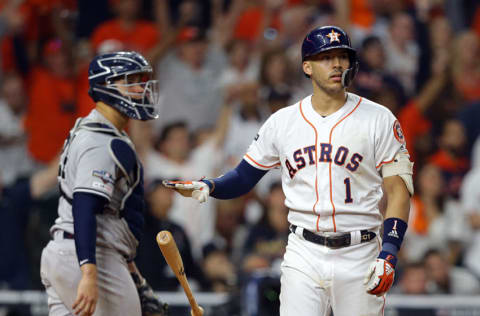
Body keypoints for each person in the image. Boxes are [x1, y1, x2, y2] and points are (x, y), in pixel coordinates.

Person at [165, 25, 413, 315]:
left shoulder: (380, 119)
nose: (336, 64)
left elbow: (399, 191)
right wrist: (211, 185)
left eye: (342, 56)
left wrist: (390, 252)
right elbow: (245, 176)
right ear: (307, 67)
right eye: (325, 57)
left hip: (360, 250)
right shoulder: (283, 122)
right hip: (304, 251)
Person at [40, 51, 167, 316]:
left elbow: (112, 216)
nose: (140, 89)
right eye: (130, 81)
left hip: (65, 252)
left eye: (140, 81)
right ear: (107, 86)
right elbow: (85, 207)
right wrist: (88, 272)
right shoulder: (102, 142)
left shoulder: (91, 129)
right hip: (91, 257)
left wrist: (136, 278)